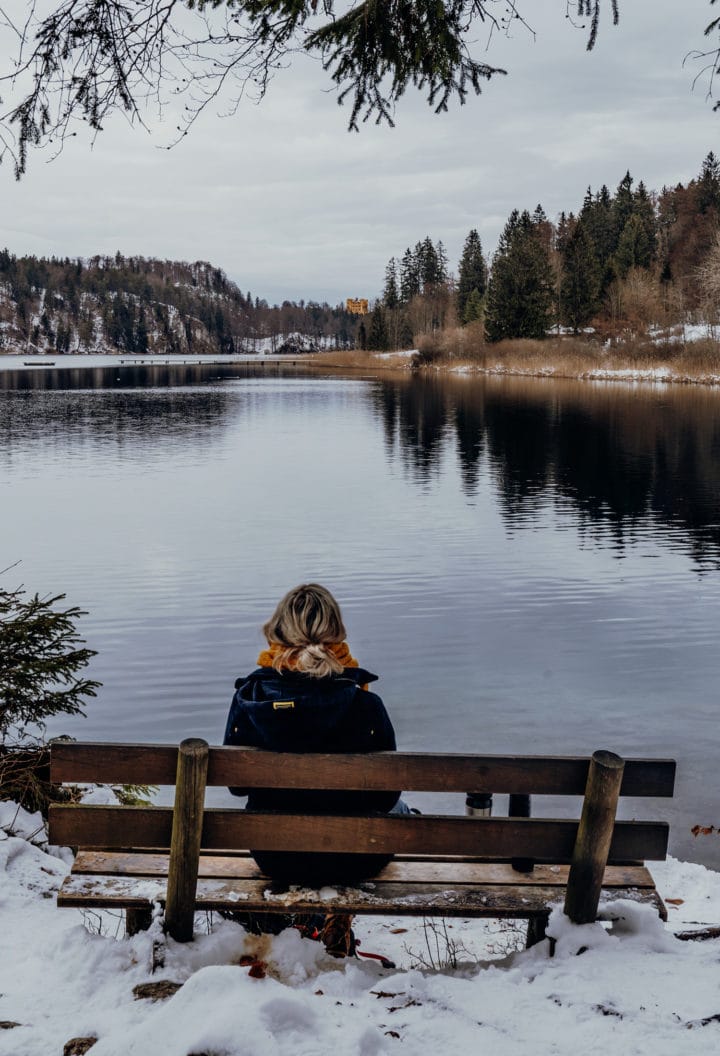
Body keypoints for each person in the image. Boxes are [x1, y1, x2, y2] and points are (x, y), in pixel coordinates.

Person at [223, 583, 401, 955]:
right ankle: (335, 917)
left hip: (275, 854)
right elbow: (386, 797)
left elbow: (237, 788)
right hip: (353, 856)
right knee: (401, 812)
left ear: (279, 630)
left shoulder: (250, 698)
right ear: (336, 632)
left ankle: (309, 923)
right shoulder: (365, 703)